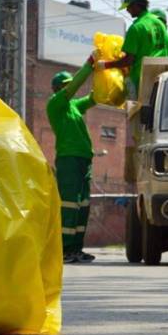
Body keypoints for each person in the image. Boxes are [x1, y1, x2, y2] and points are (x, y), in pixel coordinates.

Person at [46, 62, 98, 264]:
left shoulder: (74, 106)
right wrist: (89, 67)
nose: (68, 88)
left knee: (83, 205)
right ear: (57, 89)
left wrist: (112, 76)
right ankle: (64, 249)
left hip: (83, 160)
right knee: (69, 205)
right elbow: (73, 88)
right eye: (65, 85)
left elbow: (94, 98)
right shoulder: (55, 104)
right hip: (68, 159)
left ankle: (76, 248)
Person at [93, 0, 168, 98]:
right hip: (160, 77)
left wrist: (106, 65)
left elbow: (128, 60)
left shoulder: (136, 28)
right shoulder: (159, 23)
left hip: (140, 79)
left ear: (136, 5)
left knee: (136, 112)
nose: (127, 10)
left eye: (128, 6)